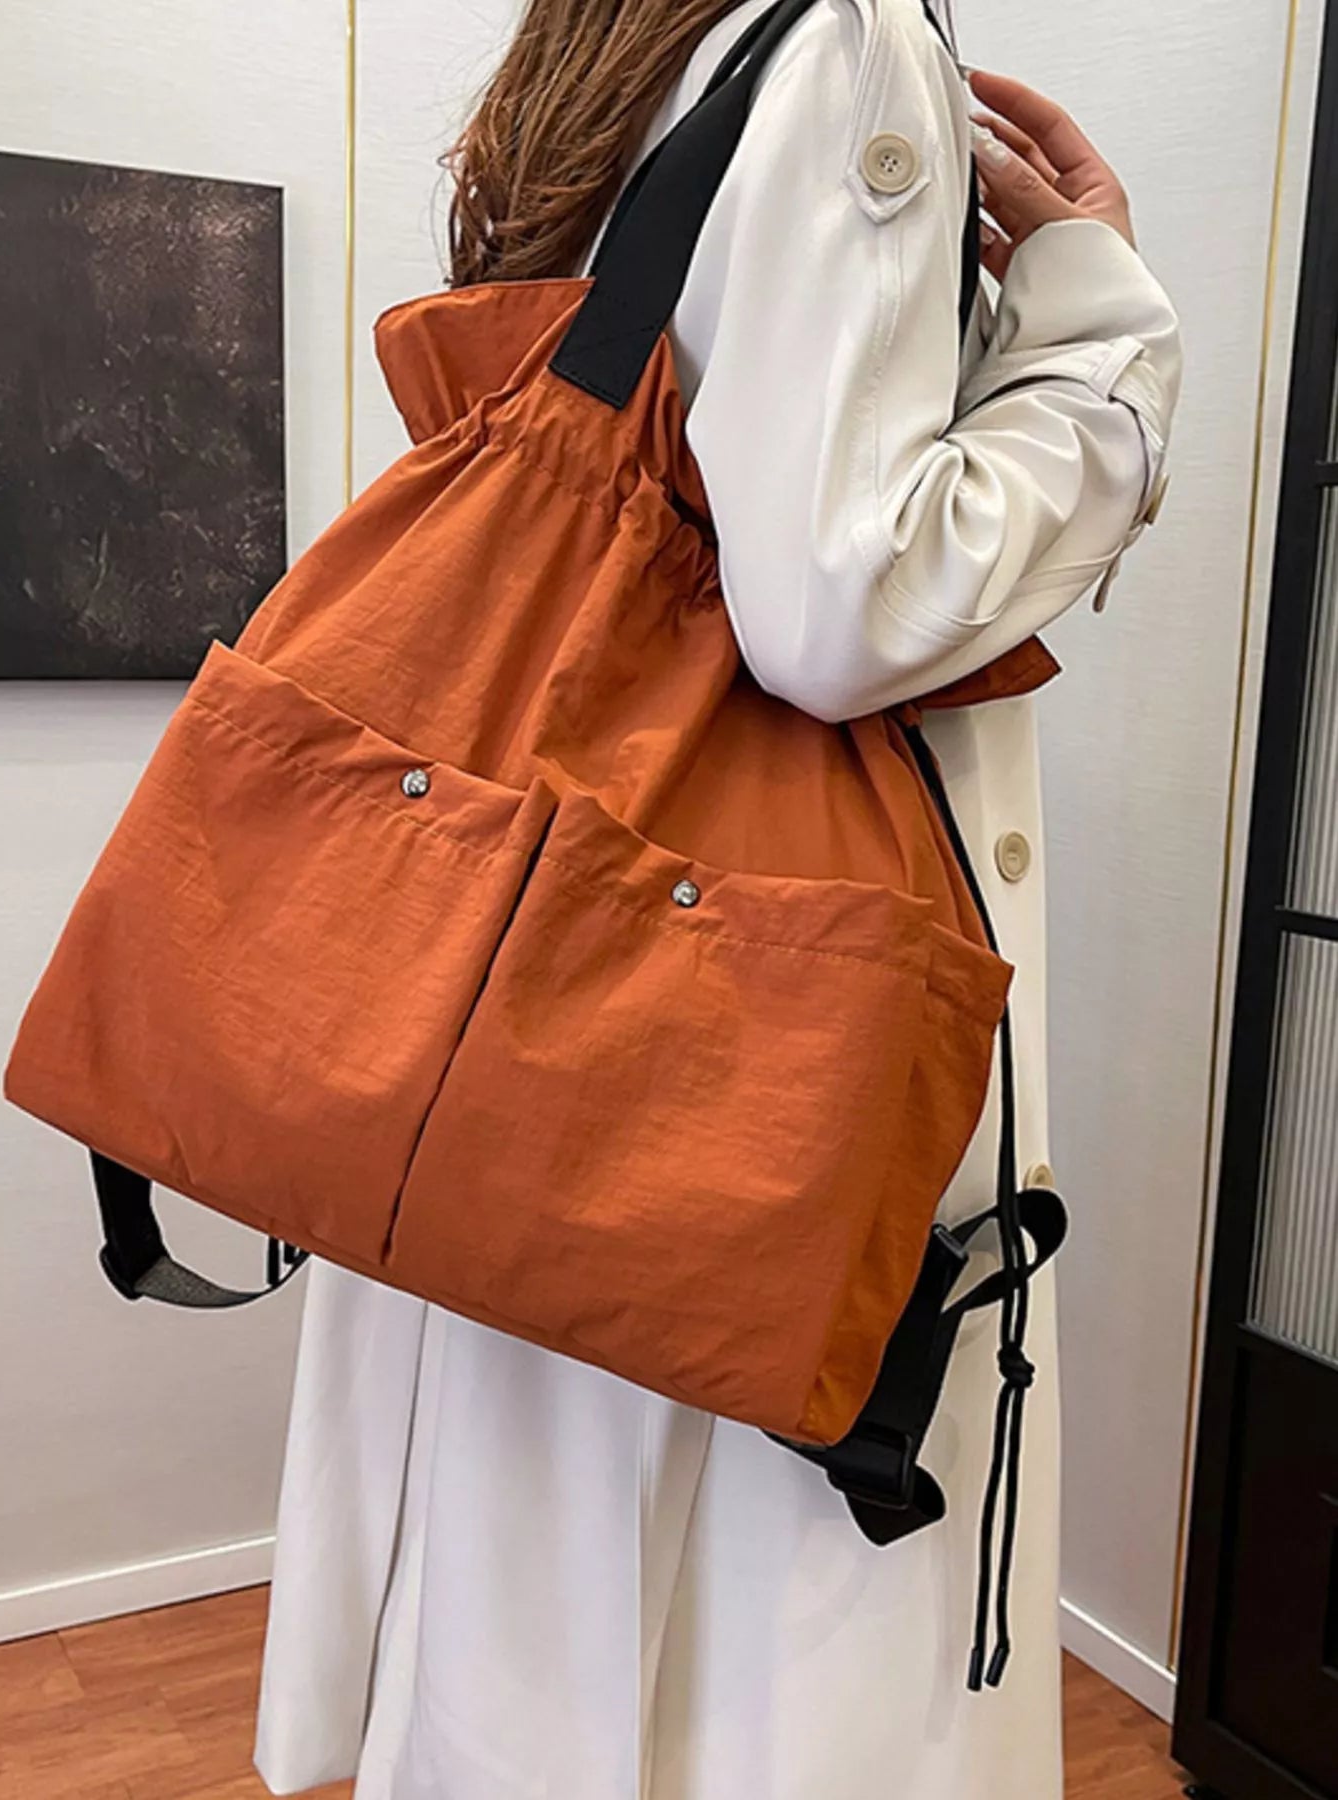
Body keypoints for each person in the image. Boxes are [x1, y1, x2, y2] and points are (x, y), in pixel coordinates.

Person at [253, 0, 1181, 1793]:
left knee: (546, 1584)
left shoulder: (617, 43)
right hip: (726, 1022)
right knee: (747, 1647)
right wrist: (1099, 333)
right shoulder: (844, 37)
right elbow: (845, 610)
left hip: (546, 973)